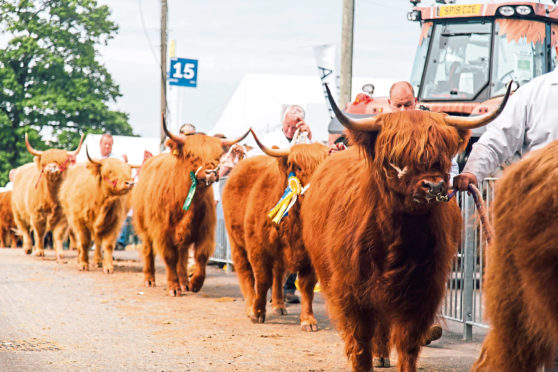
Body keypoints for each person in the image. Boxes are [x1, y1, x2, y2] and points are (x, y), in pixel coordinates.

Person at [453, 49, 558, 191]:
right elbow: (495, 140)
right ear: (557, 50)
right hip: (541, 196)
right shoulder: (531, 94)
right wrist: (471, 171)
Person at [389, 81, 460, 183]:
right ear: (389, 103)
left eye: (407, 105)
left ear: (415, 101)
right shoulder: (381, 134)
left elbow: (451, 167)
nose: (403, 111)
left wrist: (447, 183)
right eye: (398, 106)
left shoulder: (431, 130)